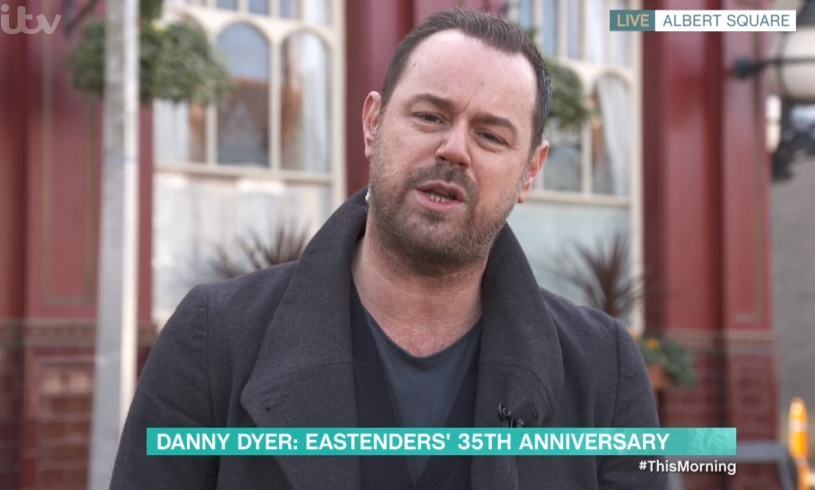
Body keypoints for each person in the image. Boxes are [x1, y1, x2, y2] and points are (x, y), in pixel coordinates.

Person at [110, 8, 666, 490]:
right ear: (373, 123)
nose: (454, 149)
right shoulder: (215, 339)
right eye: (430, 116)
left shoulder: (604, 370)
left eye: (491, 136)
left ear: (531, 171)